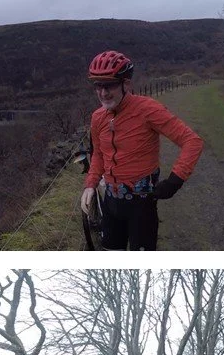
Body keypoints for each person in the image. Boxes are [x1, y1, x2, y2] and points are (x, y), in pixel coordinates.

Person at [78, 50, 205, 250]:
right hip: (111, 202)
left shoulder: (148, 110)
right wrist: (90, 184)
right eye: (98, 86)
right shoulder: (97, 117)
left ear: (126, 83)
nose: (103, 93)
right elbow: (99, 155)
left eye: (109, 85)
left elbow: (192, 141)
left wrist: (175, 181)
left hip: (142, 206)